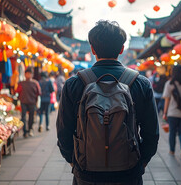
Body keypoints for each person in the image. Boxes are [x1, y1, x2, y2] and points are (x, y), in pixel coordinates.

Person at [57, 20, 159, 185]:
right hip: (128, 172)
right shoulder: (140, 83)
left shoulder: (74, 84)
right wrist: (140, 163)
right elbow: (151, 133)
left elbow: (64, 132)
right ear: (121, 49)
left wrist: (74, 162)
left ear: (92, 49)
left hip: (87, 173)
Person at [16, 67, 41, 138]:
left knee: (31, 117)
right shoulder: (21, 83)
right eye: (27, 74)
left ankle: (30, 129)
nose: (28, 75)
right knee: (23, 117)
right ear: (25, 74)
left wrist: (37, 103)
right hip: (23, 102)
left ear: (32, 75)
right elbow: (17, 92)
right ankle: (25, 131)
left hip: (32, 103)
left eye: (30, 74)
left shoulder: (35, 83)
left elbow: (38, 93)